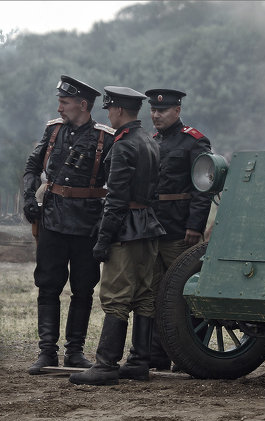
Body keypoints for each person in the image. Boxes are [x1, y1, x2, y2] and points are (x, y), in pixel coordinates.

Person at [69, 86, 166, 386]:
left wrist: (102, 239)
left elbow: (116, 199)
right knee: (144, 296)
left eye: (109, 109)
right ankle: (139, 361)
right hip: (148, 228)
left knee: (115, 296)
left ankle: (106, 364)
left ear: (119, 111)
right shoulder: (150, 141)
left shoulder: (124, 145)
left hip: (125, 228)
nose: (108, 114)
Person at [21, 75, 117, 374]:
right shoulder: (53, 131)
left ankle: (74, 353)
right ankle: (46, 351)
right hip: (51, 219)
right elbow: (32, 167)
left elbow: (115, 184)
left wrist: (104, 222)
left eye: (65, 102)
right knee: (47, 286)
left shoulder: (106, 138)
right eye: (60, 102)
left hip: (87, 224)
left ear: (83, 105)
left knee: (83, 289)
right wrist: (28, 197)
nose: (60, 107)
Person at [142, 88, 215, 372]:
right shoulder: (151, 141)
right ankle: (157, 355)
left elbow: (203, 186)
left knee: (185, 294)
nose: (156, 115)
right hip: (154, 228)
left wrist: (194, 226)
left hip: (181, 229)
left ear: (177, 111)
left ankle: (190, 355)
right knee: (155, 292)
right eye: (153, 110)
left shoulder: (194, 141)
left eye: (162, 110)